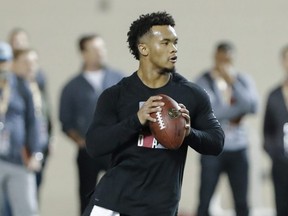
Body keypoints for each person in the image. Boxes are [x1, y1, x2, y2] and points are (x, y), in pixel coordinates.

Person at [82, 11, 224, 216]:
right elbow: (94, 145)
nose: (173, 49)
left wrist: (189, 131)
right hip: (113, 203)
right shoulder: (116, 95)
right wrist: (137, 120)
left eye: (175, 42)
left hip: (160, 208)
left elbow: (216, 142)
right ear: (143, 48)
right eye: (165, 43)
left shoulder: (191, 94)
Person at [59, 33, 124, 215]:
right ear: (83, 53)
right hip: (88, 152)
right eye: (95, 49)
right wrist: (81, 142)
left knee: (121, 195)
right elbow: (66, 121)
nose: (100, 53)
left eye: (102, 48)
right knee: (87, 196)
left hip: (115, 150)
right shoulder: (72, 86)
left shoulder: (119, 79)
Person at [195, 41, 258, 216]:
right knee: (204, 201)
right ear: (214, 58)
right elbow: (210, 111)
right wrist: (237, 110)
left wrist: (233, 83)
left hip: (239, 148)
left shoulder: (242, 80)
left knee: (242, 202)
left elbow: (252, 106)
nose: (224, 64)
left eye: (228, 60)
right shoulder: (203, 81)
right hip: (212, 149)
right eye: (220, 60)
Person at [0, 41, 41, 216]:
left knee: (27, 210)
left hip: (18, 158)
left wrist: (36, 152)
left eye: (4, 60)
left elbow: (33, 121)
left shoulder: (21, 85)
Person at [263, 45, 288, 216]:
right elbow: (267, 130)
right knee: (282, 206)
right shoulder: (274, 95)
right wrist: (274, 153)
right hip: (281, 163)